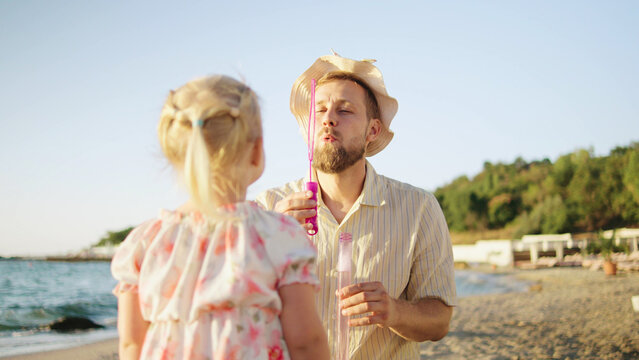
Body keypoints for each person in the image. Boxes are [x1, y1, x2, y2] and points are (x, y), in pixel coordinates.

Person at [111, 75, 330, 360]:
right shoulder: (280, 237)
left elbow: (130, 345)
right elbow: (306, 342)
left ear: (174, 153)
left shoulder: (144, 243)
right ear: (256, 150)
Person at [256, 54, 456, 359]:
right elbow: (233, 308)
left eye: (345, 110)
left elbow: (440, 320)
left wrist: (395, 312)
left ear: (372, 131)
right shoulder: (267, 209)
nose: (328, 118)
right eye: (319, 110)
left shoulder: (419, 209)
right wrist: (267, 243)